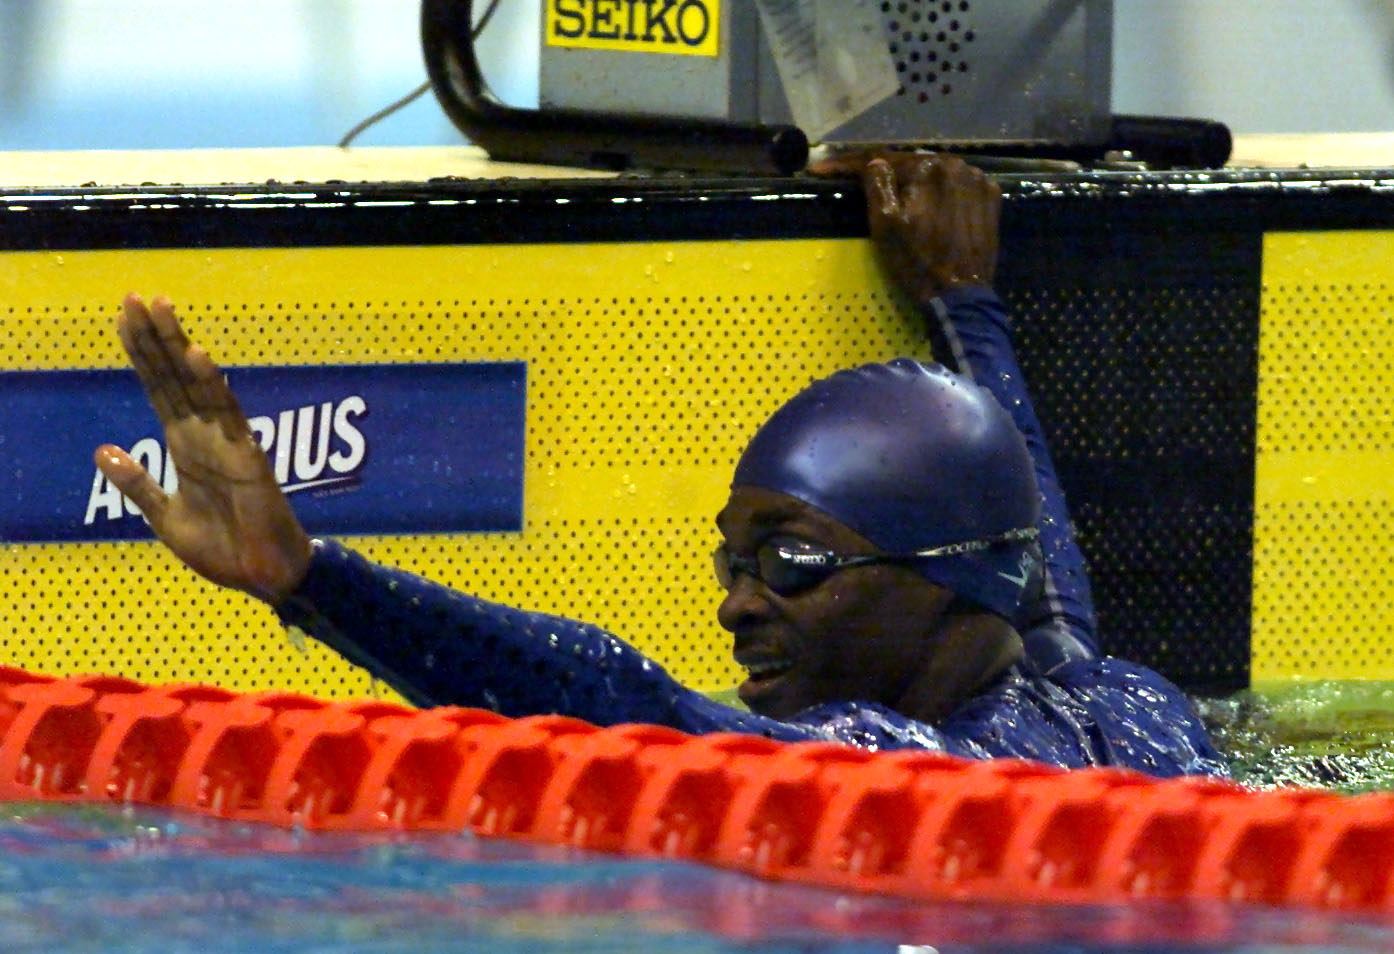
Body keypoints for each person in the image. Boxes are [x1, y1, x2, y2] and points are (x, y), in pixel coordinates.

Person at [95, 155, 1228, 777]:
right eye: (733, 557)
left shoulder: (897, 767)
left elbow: (612, 698)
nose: (738, 603)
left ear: (950, 582)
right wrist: (961, 302)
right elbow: (1036, 553)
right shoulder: (1120, 709)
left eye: (791, 561)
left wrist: (309, 578)